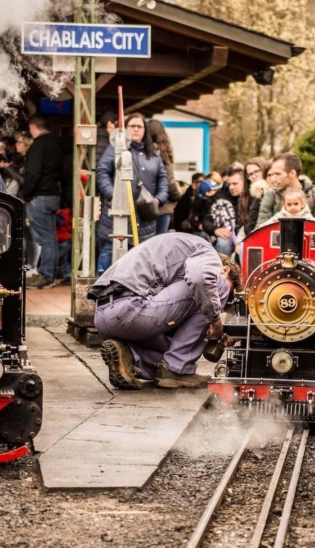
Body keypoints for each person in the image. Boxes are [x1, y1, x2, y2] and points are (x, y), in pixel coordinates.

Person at [90, 232, 240, 390]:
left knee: (167, 358)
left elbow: (174, 312)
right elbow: (200, 278)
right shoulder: (207, 253)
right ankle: (178, 370)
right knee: (216, 287)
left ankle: (129, 356)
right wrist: (215, 320)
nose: (221, 304)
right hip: (130, 307)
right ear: (225, 270)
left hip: (104, 316)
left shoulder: (184, 253)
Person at [95, 112, 168, 274]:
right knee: (109, 250)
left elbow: (163, 179)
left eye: (139, 126)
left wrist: (158, 200)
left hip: (144, 215)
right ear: (125, 129)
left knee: (141, 256)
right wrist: (113, 196)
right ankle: (101, 286)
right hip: (117, 213)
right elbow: (102, 172)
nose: (136, 129)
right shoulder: (115, 148)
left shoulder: (154, 152)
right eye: (132, 126)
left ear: (145, 130)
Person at [21, 115, 63, 289]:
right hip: (54, 195)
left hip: (39, 196)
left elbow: (33, 173)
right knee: (51, 238)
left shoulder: (38, 146)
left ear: (33, 126)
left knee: (45, 239)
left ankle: (46, 276)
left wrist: (26, 194)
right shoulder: (56, 144)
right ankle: (52, 273)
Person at [247, 152, 315, 232]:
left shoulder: (313, 193)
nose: (272, 179)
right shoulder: (271, 194)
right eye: (271, 175)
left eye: (277, 174)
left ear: (292, 174)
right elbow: (261, 229)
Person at [146, 119, 182, 235]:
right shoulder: (163, 155)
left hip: (145, 206)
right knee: (158, 242)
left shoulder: (142, 154)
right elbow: (170, 183)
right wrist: (179, 194)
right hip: (162, 208)